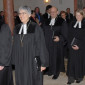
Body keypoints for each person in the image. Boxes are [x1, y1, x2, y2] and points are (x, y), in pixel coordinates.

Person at [12, 6, 49, 85]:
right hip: (20, 59)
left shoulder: (36, 27)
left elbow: (41, 45)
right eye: (19, 13)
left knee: (32, 79)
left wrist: (43, 63)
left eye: (23, 13)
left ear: (29, 15)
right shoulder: (17, 28)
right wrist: (14, 59)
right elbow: (15, 45)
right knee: (21, 78)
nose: (21, 15)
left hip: (32, 59)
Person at [43, 6, 68, 79]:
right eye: (51, 12)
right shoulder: (46, 21)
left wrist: (60, 38)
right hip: (48, 43)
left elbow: (66, 33)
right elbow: (43, 31)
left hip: (57, 43)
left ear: (57, 12)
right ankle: (49, 71)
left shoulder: (62, 21)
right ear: (49, 12)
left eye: (54, 11)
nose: (52, 13)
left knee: (56, 58)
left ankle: (56, 72)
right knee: (49, 56)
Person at [67, 9, 85, 84]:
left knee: (79, 63)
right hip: (72, 46)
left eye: (79, 15)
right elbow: (69, 35)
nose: (78, 16)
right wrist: (70, 45)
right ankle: (71, 78)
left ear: (83, 15)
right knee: (71, 62)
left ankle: (79, 77)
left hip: (81, 47)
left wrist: (79, 46)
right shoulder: (72, 23)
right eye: (76, 15)